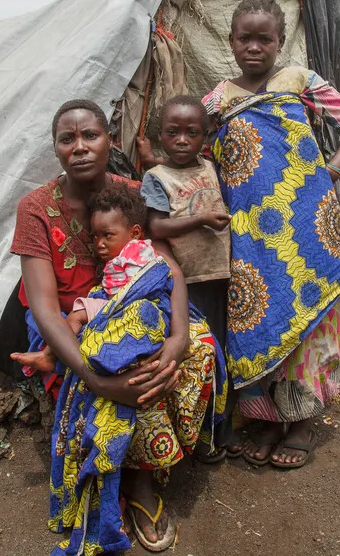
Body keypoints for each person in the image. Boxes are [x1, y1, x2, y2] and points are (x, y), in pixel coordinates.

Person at [9, 99, 219, 554]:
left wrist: (179, 338)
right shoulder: (35, 209)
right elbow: (45, 310)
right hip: (69, 322)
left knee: (191, 351)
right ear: (56, 149)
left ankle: (144, 474)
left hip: (137, 304)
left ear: (111, 141)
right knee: (110, 373)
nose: (80, 147)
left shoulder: (133, 192)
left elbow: (169, 272)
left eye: (91, 136)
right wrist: (92, 377)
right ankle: (122, 483)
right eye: (68, 139)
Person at [203, 0, 340, 469]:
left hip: (308, 224)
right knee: (261, 318)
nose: (254, 47)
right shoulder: (217, 99)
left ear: (280, 42)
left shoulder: (300, 80)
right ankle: (268, 419)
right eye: (245, 38)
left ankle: (301, 423)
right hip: (251, 234)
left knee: (313, 323)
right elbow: (192, 149)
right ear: (231, 41)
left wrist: (331, 174)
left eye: (265, 39)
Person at [139, 95, 240, 462]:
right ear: (160, 136)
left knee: (224, 357)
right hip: (187, 286)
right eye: (173, 132)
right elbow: (156, 226)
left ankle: (223, 427)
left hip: (222, 278)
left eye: (192, 132)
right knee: (199, 358)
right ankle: (201, 435)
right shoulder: (156, 178)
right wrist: (199, 219)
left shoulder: (212, 169)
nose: (182, 140)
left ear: (206, 136)